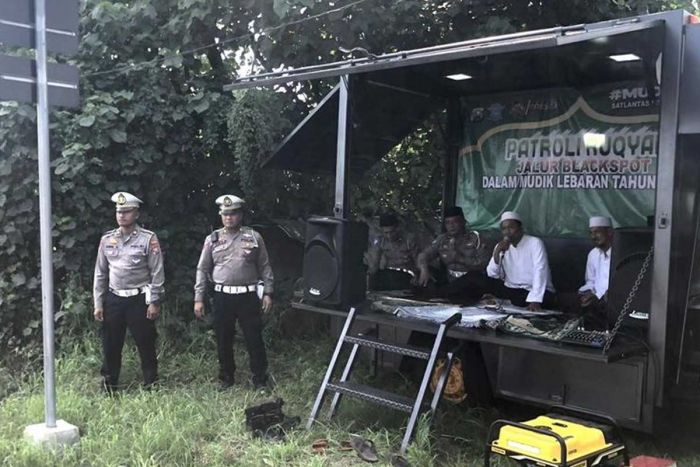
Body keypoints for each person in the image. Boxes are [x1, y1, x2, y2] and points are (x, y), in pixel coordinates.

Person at [194, 194, 274, 389]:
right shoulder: (212, 239)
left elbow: (265, 266)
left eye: (233, 214)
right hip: (222, 296)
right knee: (223, 338)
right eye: (225, 214)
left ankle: (260, 379)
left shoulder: (254, 237)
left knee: (254, 338)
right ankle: (226, 378)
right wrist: (199, 298)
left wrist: (268, 293)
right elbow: (202, 269)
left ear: (240, 215)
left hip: (248, 295)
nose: (228, 218)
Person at [93, 192, 164, 393]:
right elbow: (100, 273)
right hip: (114, 298)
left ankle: (151, 384)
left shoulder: (148, 238)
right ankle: (109, 385)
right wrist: (98, 303)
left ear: (136, 214)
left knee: (145, 342)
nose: (122, 215)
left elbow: (157, 271)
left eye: (126, 211)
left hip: (139, 299)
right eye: (119, 211)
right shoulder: (107, 239)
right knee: (111, 344)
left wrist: (155, 301)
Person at [484, 211, 557, 310]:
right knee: (477, 279)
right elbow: (492, 274)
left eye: (511, 227)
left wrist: (535, 300)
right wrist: (496, 253)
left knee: (523, 300)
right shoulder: (501, 246)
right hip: (512, 289)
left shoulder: (535, 243)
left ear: (520, 229)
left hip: (536, 291)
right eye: (504, 229)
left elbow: (540, 270)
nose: (507, 232)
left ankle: (507, 300)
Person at [416, 206, 490, 299]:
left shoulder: (476, 238)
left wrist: (460, 258)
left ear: (463, 222)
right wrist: (424, 269)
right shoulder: (442, 239)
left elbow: (484, 263)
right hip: (449, 279)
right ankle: (442, 293)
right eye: (448, 223)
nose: (451, 226)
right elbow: (423, 255)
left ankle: (441, 294)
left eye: (455, 222)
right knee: (421, 274)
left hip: (470, 280)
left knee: (473, 279)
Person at [366, 213, 420, 290]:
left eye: (392, 232)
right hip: (388, 275)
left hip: (406, 275)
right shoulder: (380, 240)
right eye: (386, 233)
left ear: (397, 228)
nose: (389, 236)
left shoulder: (409, 240)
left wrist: (417, 275)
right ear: (381, 230)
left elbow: (418, 261)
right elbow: (375, 264)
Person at [578, 216, 613, 327]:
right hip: (595, 303)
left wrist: (601, 297)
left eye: (597, 232)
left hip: (613, 303)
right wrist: (588, 293)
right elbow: (590, 281)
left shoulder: (619, 253)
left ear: (609, 232)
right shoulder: (593, 254)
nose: (593, 236)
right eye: (591, 233)